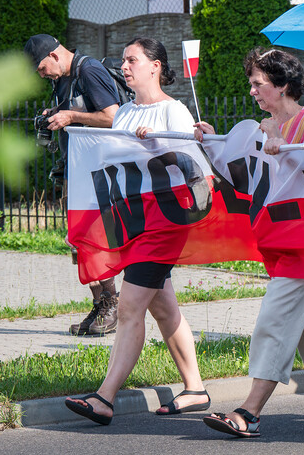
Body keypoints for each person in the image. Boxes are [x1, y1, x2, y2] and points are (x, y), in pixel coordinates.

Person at [200, 47, 304, 438]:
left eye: (259, 84)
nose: (253, 91)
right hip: (279, 238)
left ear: (282, 85)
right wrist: (209, 144)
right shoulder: (262, 126)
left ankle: (250, 411)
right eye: (252, 84)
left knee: (275, 320)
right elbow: (243, 174)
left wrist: (279, 141)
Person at [64, 37, 210, 425]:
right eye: (124, 61)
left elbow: (192, 166)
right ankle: (195, 388)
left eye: (132, 60)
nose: (124, 66)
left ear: (155, 65)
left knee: (130, 308)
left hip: (164, 223)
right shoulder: (125, 112)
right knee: (162, 306)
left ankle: (104, 398)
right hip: (132, 221)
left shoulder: (174, 111)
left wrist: (158, 143)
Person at [24, 33, 121, 336]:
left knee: (93, 238)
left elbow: (114, 117)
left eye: (41, 69)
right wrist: (56, 115)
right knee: (78, 241)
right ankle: (100, 303)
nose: (42, 75)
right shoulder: (62, 80)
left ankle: (112, 305)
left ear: (53, 55)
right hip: (75, 170)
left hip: (97, 171)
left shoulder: (88, 70)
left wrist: (70, 116)